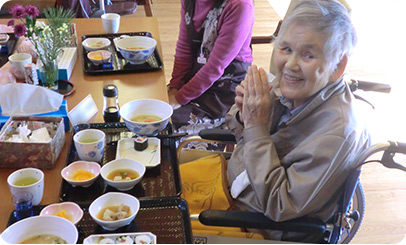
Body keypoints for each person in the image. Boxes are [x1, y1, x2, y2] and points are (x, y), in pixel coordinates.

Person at [224, 0, 370, 241]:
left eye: (308, 55)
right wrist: (244, 113)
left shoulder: (337, 134)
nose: (290, 66)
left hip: (255, 224)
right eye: (286, 49)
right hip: (236, 185)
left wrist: (256, 127)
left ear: (338, 66)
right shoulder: (294, 87)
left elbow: (280, 205)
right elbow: (245, 138)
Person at [168, 0, 255, 145]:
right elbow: (184, 50)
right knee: (154, 116)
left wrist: (178, 99)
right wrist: (174, 88)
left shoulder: (240, 5)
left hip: (225, 90)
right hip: (197, 77)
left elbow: (215, 68)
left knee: (168, 133)